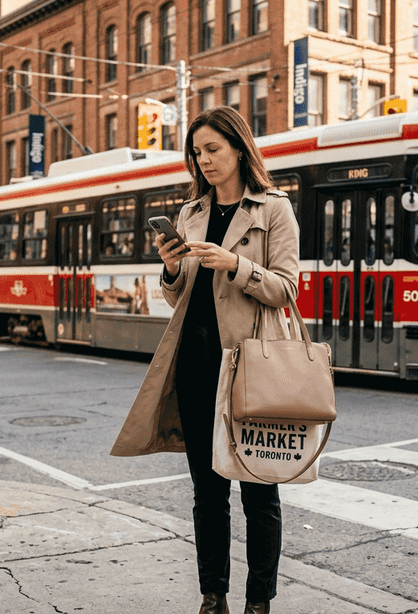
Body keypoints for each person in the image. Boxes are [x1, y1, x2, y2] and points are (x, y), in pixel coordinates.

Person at [110, 106, 299, 614]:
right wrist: (171, 269)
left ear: (239, 148)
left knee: (259, 494)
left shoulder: (274, 210)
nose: (204, 160)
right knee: (206, 493)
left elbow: (286, 289)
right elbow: (180, 297)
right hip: (195, 367)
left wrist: (235, 264)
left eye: (212, 149)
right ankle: (212, 596)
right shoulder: (191, 213)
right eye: (197, 152)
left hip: (250, 371)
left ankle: (259, 602)